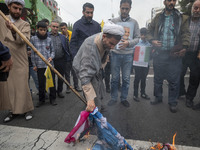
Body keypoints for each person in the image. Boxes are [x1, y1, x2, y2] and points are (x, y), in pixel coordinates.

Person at [147, 0, 190, 113]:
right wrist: (152, 40)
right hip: (159, 54)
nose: (172, 2)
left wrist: (185, 46)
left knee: (174, 80)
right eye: (169, 0)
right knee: (158, 78)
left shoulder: (181, 18)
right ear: (164, 2)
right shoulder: (157, 17)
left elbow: (186, 33)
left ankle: (172, 102)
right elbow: (149, 31)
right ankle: (158, 97)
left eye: (174, 0)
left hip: (174, 54)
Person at [73, 22, 124, 112]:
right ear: (104, 36)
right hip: (83, 69)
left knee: (99, 89)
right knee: (93, 95)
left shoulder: (105, 39)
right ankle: (94, 113)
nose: (112, 47)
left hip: (95, 67)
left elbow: (105, 53)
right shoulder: (91, 47)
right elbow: (85, 76)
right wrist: (90, 99)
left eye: (115, 45)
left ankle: (98, 105)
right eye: (111, 43)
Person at [0, 0, 34, 122]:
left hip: (20, 60)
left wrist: (13, 30)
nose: (17, 11)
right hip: (4, 59)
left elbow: (24, 40)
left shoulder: (25, 24)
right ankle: (12, 111)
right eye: (15, 8)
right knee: (9, 87)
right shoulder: (1, 18)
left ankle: (27, 109)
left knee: (22, 86)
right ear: (9, 6)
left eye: (20, 9)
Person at [108, 0, 140, 108]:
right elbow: (107, 36)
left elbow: (137, 38)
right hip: (115, 54)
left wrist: (129, 43)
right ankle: (113, 98)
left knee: (126, 78)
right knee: (114, 78)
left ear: (130, 8)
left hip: (128, 55)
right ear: (120, 7)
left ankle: (124, 98)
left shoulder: (134, 23)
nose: (125, 11)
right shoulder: (113, 21)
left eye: (127, 8)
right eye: (123, 8)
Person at [30, 21, 57, 107]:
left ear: (47, 30)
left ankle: (52, 99)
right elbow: (32, 53)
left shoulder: (49, 39)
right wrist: (34, 65)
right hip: (39, 66)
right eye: (41, 30)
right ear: (37, 29)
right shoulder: (33, 39)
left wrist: (51, 57)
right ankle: (41, 100)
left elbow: (53, 51)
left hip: (49, 65)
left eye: (45, 30)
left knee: (51, 83)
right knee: (41, 84)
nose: (43, 32)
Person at [184, 0, 200, 110]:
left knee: (194, 77)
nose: (197, 10)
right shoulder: (185, 20)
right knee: (178, 73)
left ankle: (189, 98)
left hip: (196, 55)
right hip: (183, 53)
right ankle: (181, 91)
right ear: (191, 8)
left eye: (199, 8)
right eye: (195, 7)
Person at [49, 20, 71, 98]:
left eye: (57, 27)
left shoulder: (62, 37)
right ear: (50, 27)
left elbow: (67, 48)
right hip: (50, 61)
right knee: (51, 78)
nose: (55, 28)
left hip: (61, 60)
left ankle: (59, 91)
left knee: (61, 77)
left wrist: (68, 59)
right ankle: (53, 95)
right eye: (53, 26)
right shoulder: (47, 36)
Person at [133, 28, 151, 102]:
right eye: (142, 35)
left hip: (146, 64)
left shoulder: (149, 43)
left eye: (145, 35)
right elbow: (133, 52)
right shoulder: (137, 43)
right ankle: (135, 94)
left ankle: (143, 93)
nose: (143, 36)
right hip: (138, 64)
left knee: (144, 79)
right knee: (137, 79)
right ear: (140, 35)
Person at [60, 22, 79, 94]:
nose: (63, 30)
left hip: (73, 56)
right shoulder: (60, 36)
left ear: (67, 28)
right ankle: (68, 87)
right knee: (67, 73)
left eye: (64, 28)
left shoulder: (72, 34)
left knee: (75, 73)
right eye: (61, 29)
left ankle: (76, 86)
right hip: (66, 58)